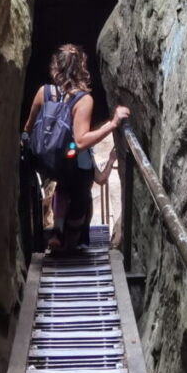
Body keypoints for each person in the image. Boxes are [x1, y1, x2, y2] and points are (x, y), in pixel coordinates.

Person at [22, 44, 130, 251]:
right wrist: (113, 124)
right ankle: (70, 242)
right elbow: (80, 141)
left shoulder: (43, 92)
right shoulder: (83, 100)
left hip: (42, 161)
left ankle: (58, 232)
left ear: (55, 68)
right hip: (70, 165)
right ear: (82, 69)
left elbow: (28, 128)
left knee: (63, 185)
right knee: (80, 193)